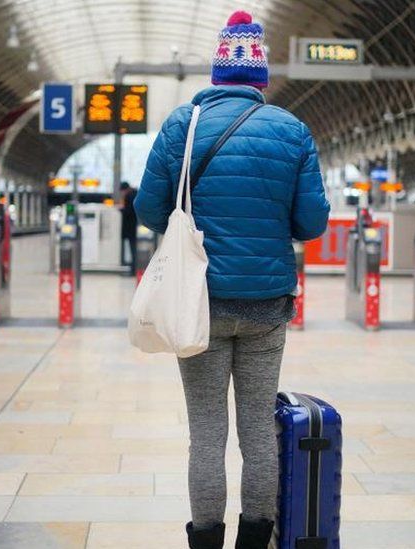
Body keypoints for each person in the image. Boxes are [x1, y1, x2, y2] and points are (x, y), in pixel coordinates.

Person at [135, 11, 330, 549]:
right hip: (267, 305)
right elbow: (312, 223)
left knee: (206, 434)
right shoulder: (292, 130)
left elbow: (149, 208)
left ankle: (204, 542)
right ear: (260, 79)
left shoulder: (183, 125)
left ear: (217, 76)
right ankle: (255, 540)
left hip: (197, 302)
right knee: (256, 434)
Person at [119, 181, 138, 276]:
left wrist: (121, 210)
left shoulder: (129, 196)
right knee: (135, 249)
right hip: (136, 227)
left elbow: (128, 211)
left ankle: (133, 270)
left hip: (131, 228)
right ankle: (135, 269)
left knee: (133, 250)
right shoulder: (136, 193)